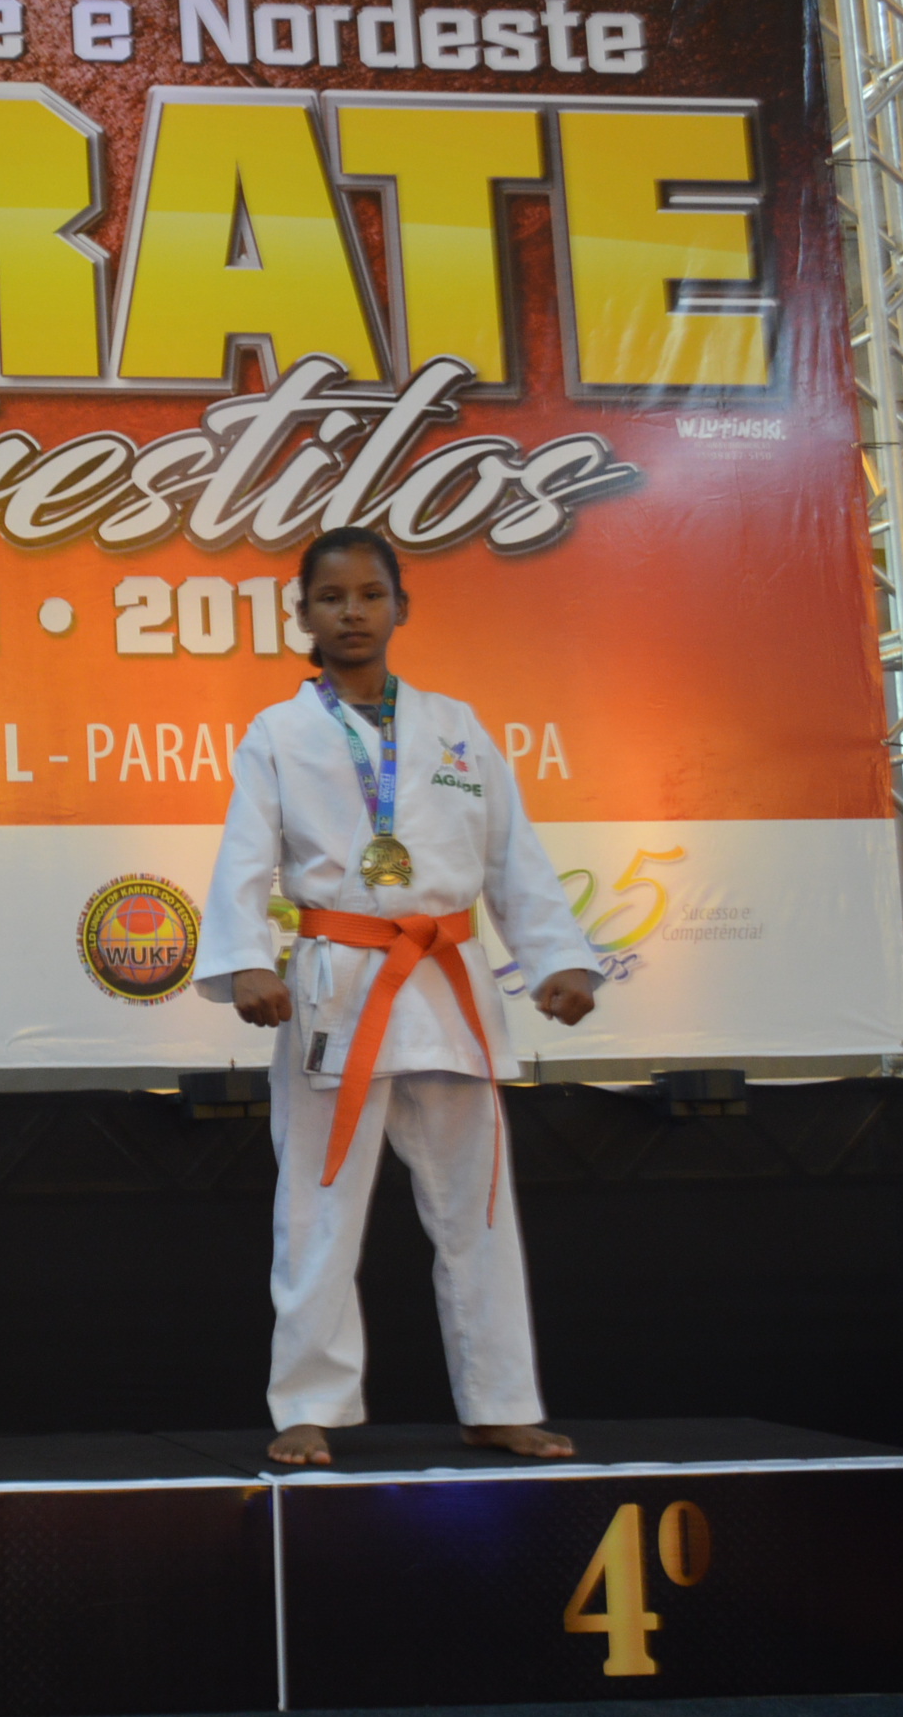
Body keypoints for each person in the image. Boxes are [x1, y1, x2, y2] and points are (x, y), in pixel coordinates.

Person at [196, 526, 604, 1468]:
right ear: (303, 616)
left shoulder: (457, 726)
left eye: (370, 595)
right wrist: (247, 961)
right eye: (331, 598)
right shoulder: (279, 733)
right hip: (339, 986)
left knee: (479, 1207)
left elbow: (513, 856)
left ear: (401, 608)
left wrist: (557, 959)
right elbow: (245, 857)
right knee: (318, 1207)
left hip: (447, 984)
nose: (352, 612)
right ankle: (310, 1406)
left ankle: (499, 1402)